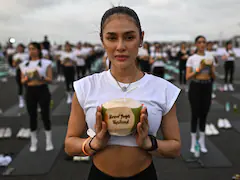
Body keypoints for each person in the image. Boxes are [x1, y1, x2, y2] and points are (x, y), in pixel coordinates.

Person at [65, 6, 181, 180]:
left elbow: (175, 147)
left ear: (141, 39)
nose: (120, 46)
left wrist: (148, 143)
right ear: (102, 40)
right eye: (111, 38)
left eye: (129, 37)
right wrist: (94, 143)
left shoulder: (163, 89)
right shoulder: (86, 87)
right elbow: (69, 144)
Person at [19, 42, 54, 152]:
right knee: (32, 116)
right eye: (29, 49)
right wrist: (26, 79)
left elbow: (50, 79)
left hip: (42, 89)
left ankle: (49, 141)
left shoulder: (46, 63)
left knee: (45, 115)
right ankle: (34, 142)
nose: (31, 51)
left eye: (33, 49)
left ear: (38, 50)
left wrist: (41, 77)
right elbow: (21, 80)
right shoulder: (24, 64)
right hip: (30, 90)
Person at [186, 35, 216, 154]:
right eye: (200, 42)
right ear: (196, 44)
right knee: (195, 114)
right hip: (195, 87)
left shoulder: (211, 57)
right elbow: (187, 76)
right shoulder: (192, 58)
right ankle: (193, 142)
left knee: (204, 114)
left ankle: (202, 141)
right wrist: (200, 69)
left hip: (207, 86)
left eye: (204, 42)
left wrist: (211, 70)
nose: (202, 44)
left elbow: (213, 77)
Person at [12, 43, 29, 108]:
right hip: (18, 71)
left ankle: (28, 99)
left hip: (25, 71)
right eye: (18, 47)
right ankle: (21, 100)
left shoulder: (27, 55)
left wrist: (22, 62)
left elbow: (29, 63)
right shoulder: (15, 56)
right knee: (19, 86)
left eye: (20, 47)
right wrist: (16, 62)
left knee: (27, 86)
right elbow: (14, 65)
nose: (19, 49)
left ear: (23, 48)